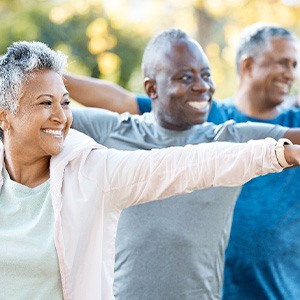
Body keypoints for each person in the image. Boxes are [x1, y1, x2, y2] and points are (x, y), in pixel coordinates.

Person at [1, 41, 293, 300]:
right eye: (45, 103)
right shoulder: (116, 129)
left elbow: (185, 166)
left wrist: (280, 152)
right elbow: (116, 99)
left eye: (65, 103)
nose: (61, 116)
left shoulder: (93, 172)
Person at [213, 23, 300, 300]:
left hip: (282, 292)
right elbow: (126, 103)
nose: (291, 74)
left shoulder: (296, 127)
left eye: (295, 65)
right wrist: (70, 81)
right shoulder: (209, 119)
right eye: (282, 63)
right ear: (248, 66)